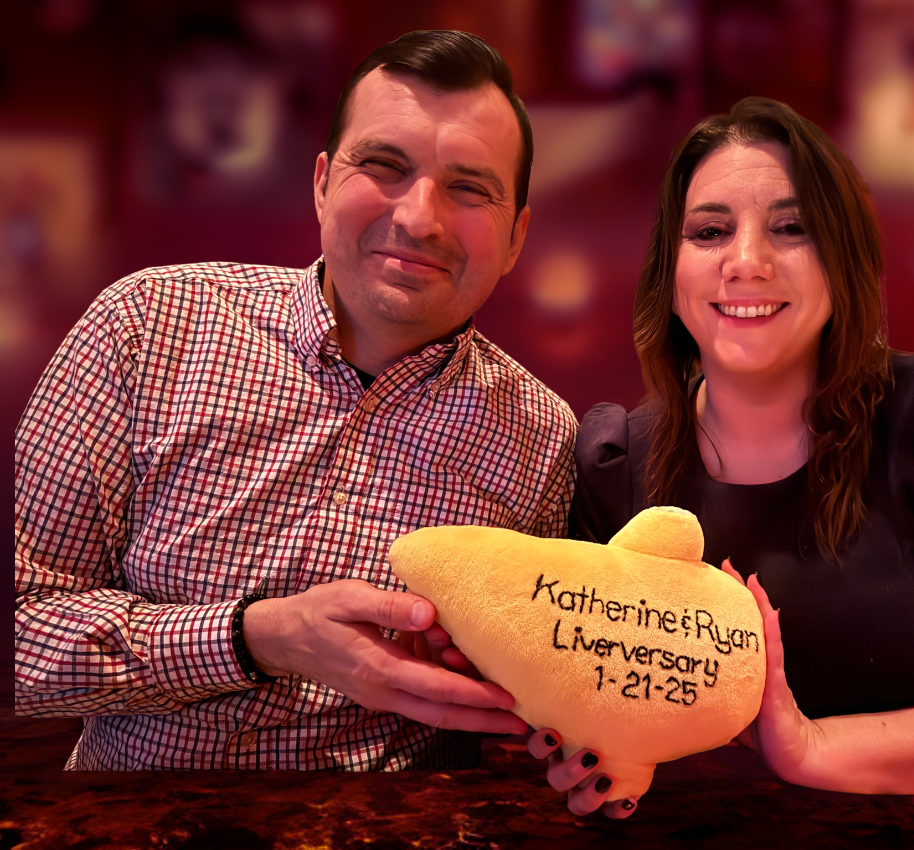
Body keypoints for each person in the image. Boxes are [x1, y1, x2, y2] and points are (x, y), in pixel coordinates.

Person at [524, 97, 914, 818]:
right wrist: (591, 759)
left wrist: (809, 748)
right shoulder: (614, 469)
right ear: (669, 277)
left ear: (843, 263)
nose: (747, 261)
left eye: (792, 229)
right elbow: (602, 710)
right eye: (710, 232)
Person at [14, 30, 576, 771]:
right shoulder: (145, 328)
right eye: (384, 165)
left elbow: (518, 711)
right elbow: (21, 639)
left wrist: (542, 734)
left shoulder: (540, 438)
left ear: (515, 239)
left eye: (470, 188)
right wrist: (258, 637)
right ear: (321, 183)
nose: (419, 218)